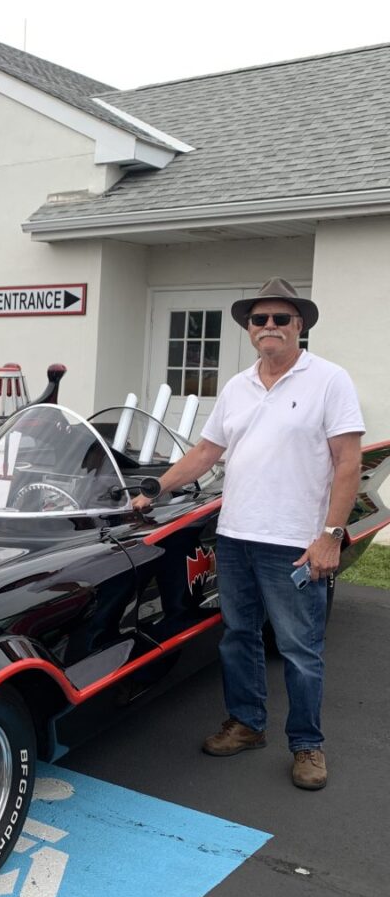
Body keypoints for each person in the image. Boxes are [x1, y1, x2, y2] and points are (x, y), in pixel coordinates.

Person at [132, 278, 364, 791]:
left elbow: (349, 461)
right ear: (249, 329)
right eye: (260, 320)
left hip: (295, 543)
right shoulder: (237, 386)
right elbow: (205, 453)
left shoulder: (328, 380)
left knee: (300, 648)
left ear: (300, 325)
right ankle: (246, 724)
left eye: (282, 318)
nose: (270, 327)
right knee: (238, 636)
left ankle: (307, 745)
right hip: (235, 538)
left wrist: (330, 535)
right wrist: (155, 488)